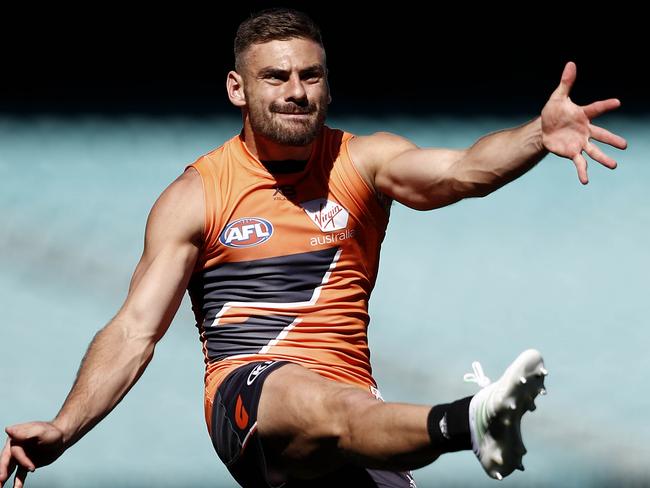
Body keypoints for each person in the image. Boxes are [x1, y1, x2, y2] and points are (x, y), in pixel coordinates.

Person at [0, 8, 627, 488]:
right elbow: (136, 330)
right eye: (275, 77)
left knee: (349, 411)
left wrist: (535, 137)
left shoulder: (363, 160)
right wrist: (65, 426)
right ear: (237, 90)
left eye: (310, 75)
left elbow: (463, 171)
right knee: (322, 402)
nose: (296, 90)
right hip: (248, 401)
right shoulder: (196, 195)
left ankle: (464, 423)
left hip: (358, 414)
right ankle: (472, 421)